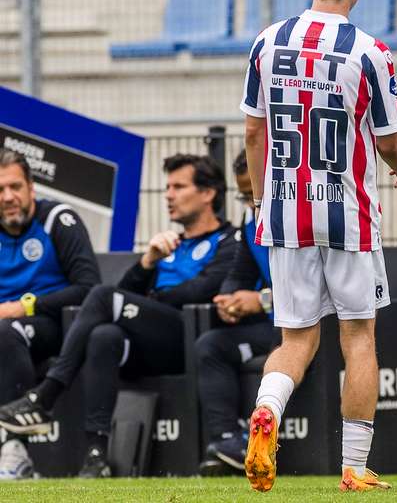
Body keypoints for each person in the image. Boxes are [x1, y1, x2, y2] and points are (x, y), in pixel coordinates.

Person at [240, 0, 397, 493]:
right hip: (346, 214)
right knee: (358, 336)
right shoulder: (368, 51)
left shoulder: (268, 42)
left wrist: (261, 201)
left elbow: (253, 130)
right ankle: (354, 466)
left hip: (284, 212)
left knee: (295, 339)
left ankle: (267, 414)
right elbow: (391, 140)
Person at [0, 154, 238, 478]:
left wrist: (154, 298)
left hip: (188, 338)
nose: (168, 194)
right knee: (104, 336)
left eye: (178, 186)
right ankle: (97, 454)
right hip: (150, 341)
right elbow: (129, 292)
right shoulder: (171, 245)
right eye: (167, 186)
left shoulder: (228, 240)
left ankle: (44, 397)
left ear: (208, 193)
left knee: (101, 295)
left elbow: (203, 290)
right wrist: (147, 263)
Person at [0, 148, 101, 480]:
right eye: (0, 190)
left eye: (15, 187)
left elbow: (89, 287)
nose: (8, 197)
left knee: (7, 332)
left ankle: (15, 450)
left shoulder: (59, 220)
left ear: (32, 188)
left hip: (54, 325)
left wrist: (25, 306)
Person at [197, 149, 278, 475]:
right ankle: (227, 443)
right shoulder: (250, 221)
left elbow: (316, 291)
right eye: (245, 195)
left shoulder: (300, 217)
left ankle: (267, 442)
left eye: (255, 193)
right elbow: (241, 272)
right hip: (274, 325)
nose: (251, 203)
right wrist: (229, 300)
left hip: (311, 329)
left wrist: (261, 301)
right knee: (210, 344)